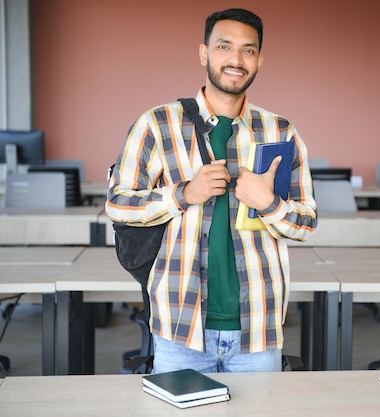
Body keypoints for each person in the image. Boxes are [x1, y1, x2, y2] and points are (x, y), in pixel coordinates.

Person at [106, 8, 317, 373]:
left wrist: (269, 204)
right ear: (204, 53)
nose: (236, 59)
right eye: (224, 47)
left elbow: (306, 223)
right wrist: (184, 193)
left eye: (248, 50)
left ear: (259, 61)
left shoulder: (281, 132)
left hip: (257, 327)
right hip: (180, 325)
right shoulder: (157, 125)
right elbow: (117, 204)